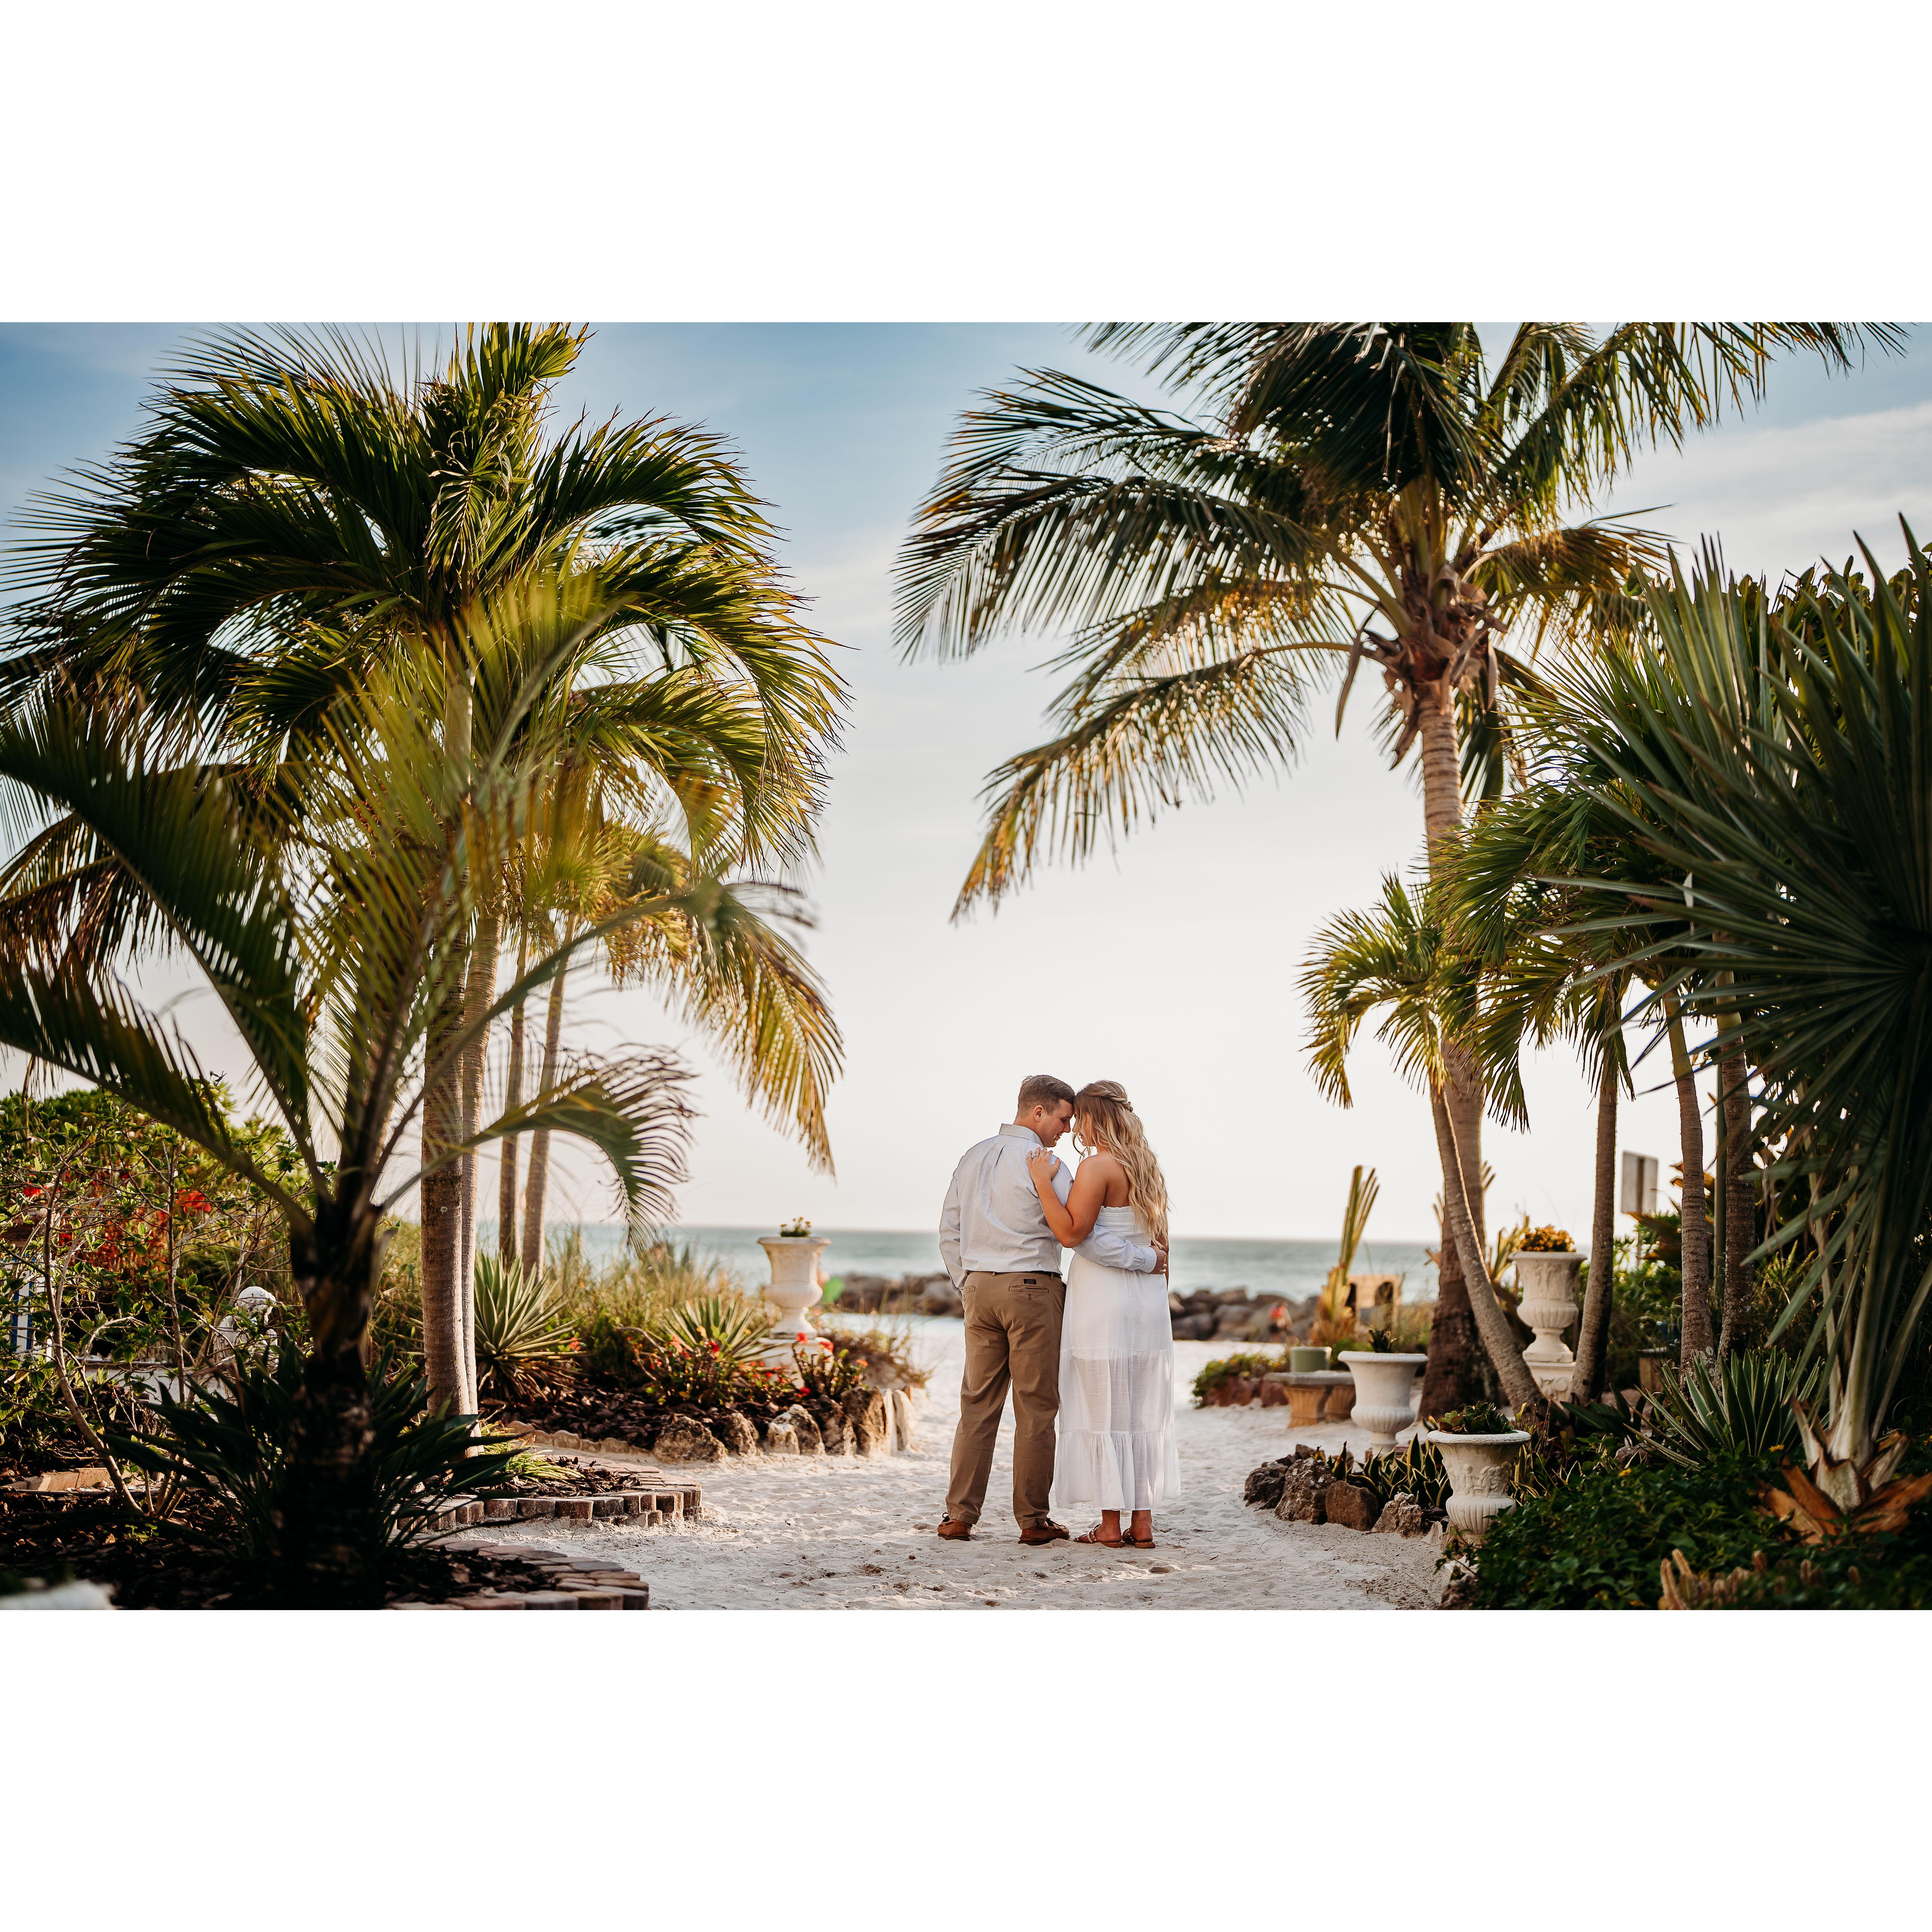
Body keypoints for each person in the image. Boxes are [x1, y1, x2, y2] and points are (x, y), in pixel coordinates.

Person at [937, 1074, 1168, 1544]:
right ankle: (1033, 1521)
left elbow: (950, 1229)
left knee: (976, 1405)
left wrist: (967, 1283)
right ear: (1038, 1112)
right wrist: (1146, 1260)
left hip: (979, 1288)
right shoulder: (1050, 1166)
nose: (1068, 1129)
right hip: (1032, 1290)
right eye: (1063, 1119)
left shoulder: (972, 1157)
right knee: (1037, 1408)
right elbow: (1086, 1235)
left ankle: (959, 1517)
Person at [1026, 1080, 1178, 1548]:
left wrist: (1042, 1184)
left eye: (1080, 1119)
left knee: (1104, 1410)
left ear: (1095, 1119)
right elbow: (1162, 1250)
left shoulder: (1096, 1167)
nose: (1075, 1128)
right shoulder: (1148, 1167)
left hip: (1104, 1300)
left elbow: (1073, 1234)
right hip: (1148, 1304)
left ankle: (1110, 1526)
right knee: (1140, 1413)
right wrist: (1156, 1289)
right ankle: (1143, 1524)